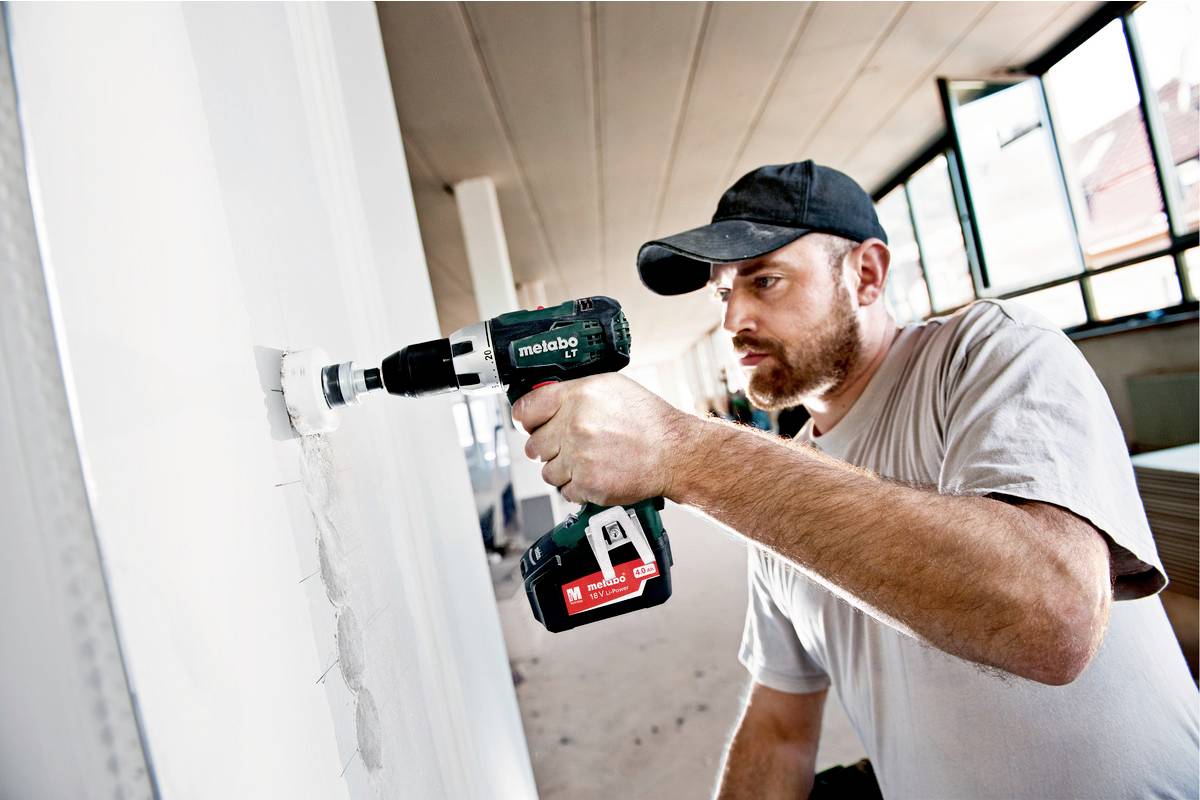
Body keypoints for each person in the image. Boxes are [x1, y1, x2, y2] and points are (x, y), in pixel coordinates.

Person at [511, 161, 1199, 799]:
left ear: (866, 275)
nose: (733, 320)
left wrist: (684, 452)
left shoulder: (992, 353)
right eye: (723, 293)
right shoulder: (777, 494)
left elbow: (1053, 616)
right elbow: (780, 727)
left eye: (764, 280)